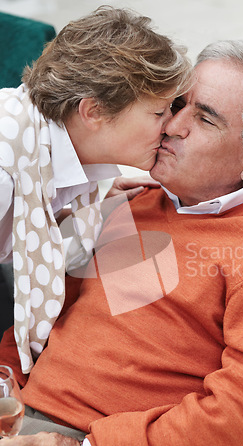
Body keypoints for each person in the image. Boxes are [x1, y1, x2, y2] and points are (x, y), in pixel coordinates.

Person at [0, 40, 243, 446]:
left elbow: (242, 416)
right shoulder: (136, 197)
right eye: (176, 105)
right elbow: (43, 318)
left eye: (204, 118)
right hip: (20, 428)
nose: (173, 127)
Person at [0, 6, 191, 373]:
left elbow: (29, 233)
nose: (172, 126)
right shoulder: (5, 172)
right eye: (159, 112)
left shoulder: (60, 150)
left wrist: (92, 207)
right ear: (94, 112)